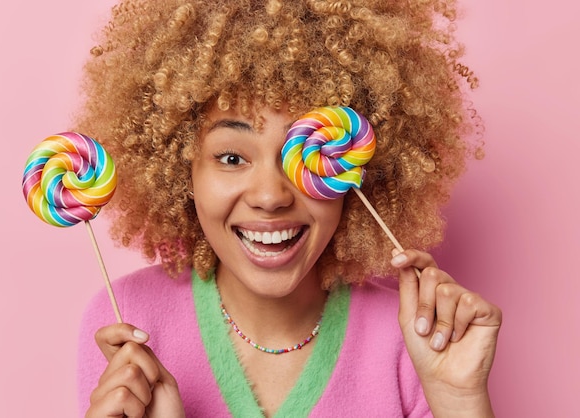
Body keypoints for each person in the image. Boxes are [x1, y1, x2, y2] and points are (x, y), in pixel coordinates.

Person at [75, 0, 502, 416]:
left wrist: (459, 402)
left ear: (349, 162)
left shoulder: (417, 341)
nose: (271, 195)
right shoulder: (126, 324)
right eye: (231, 158)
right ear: (179, 168)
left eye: (302, 153)